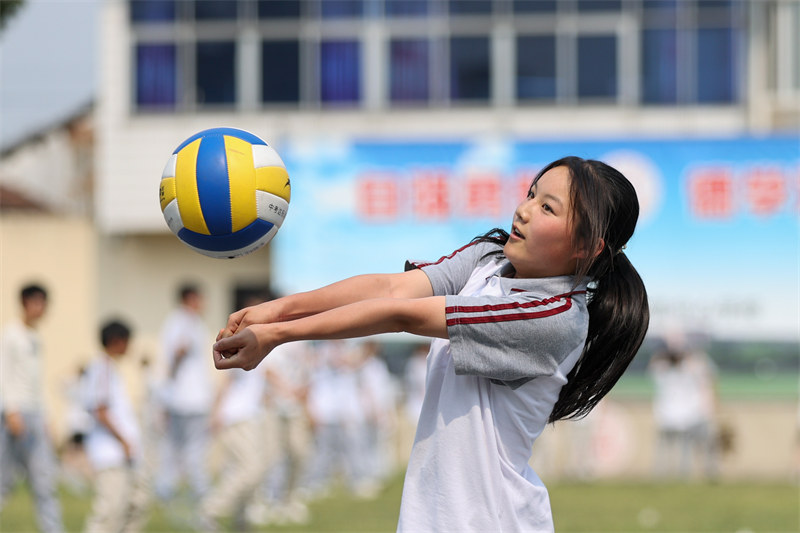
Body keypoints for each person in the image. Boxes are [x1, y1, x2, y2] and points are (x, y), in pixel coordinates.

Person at [212, 156, 650, 531]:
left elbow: (401, 314)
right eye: (531, 193)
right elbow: (390, 289)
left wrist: (277, 335)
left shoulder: (555, 318)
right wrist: (275, 311)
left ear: (587, 248)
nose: (524, 210)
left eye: (547, 208)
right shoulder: (488, 260)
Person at [0, 284, 65, 533]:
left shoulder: (36, 337)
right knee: (3, 482)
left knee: (44, 481)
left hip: (35, 415)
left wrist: (48, 417)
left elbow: (37, 382)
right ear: (24, 303)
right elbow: (3, 374)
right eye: (35, 302)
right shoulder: (11, 334)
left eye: (43, 303)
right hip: (14, 416)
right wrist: (11, 411)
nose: (40, 308)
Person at [82, 320, 150, 533]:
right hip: (110, 452)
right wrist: (123, 440)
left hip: (123, 452)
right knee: (109, 511)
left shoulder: (111, 369)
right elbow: (100, 411)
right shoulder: (101, 368)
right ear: (116, 341)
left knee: (134, 505)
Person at [156, 284, 214, 508]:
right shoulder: (184, 321)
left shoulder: (180, 321)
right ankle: (197, 488)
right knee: (192, 447)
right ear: (190, 299)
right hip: (188, 398)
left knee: (176, 446)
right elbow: (179, 350)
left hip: (183, 397)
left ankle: (167, 487)